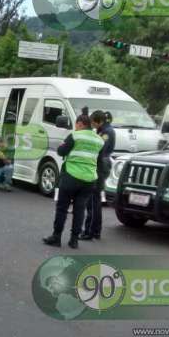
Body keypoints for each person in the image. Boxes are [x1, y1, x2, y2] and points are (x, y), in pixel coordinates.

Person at [42, 107, 104, 249]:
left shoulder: (75, 136)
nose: (76, 127)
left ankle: (56, 237)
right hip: (89, 180)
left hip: (71, 175)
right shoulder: (100, 140)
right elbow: (99, 159)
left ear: (81, 124)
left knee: (62, 208)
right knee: (80, 209)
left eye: (77, 124)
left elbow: (61, 151)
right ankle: (74, 240)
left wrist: (62, 146)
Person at [80, 111, 116, 240]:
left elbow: (100, 149)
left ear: (99, 121)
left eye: (93, 122)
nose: (93, 125)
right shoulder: (103, 130)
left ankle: (91, 231)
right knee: (94, 200)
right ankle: (94, 231)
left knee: (93, 200)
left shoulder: (106, 132)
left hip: (101, 165)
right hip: (101, 164)